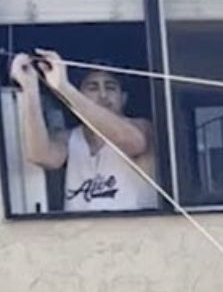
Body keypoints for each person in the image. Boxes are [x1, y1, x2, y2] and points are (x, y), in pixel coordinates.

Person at [8, 49, 159, 212]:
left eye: (110, 87)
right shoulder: (70, 138)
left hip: (134, 234)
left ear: (124, 98)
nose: (103, 95)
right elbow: (41, 155)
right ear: (80, 94)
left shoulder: (142, 127)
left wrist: (63, 87)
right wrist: (30, 87)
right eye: (93, 87)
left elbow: (133, 142)